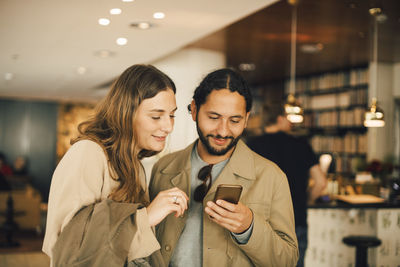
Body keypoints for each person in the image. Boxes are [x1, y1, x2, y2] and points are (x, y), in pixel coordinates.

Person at [42, 64, 189, 266]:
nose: (168, 126)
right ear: (126, 113)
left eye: (171, 115)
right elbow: (67, 245)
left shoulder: (135, 166)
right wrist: (146, 217)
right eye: (156, 116)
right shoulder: (87, 153)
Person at [149, 68, 298, 267]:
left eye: (235, 120)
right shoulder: (163, 167)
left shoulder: (272, 176)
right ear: (194, 110)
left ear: (246, 119)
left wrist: (248, 228)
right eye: (213, 117)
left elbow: (287, 260)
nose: (223, 131)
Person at [247, 104, 327, 267]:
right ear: (280, 119)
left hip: (261, 222)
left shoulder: (252, 145)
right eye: (288, 119)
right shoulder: (301, 144)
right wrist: (308, 200)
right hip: (295, 220)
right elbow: (320, 182)